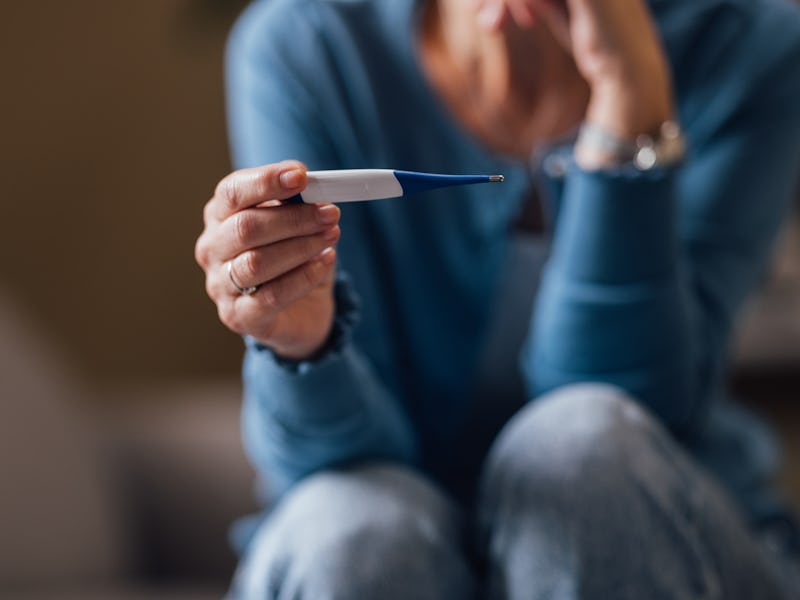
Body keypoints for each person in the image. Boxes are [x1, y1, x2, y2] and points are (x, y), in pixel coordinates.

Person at [194, 0, 800, 597]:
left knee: (582, 450)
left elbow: (628, 408)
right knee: (352, 528)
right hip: (372, 528)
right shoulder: (307, 43)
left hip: (646, 520)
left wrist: (630, 106)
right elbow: (337, 465)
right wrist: (304, 340)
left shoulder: (750, 41)